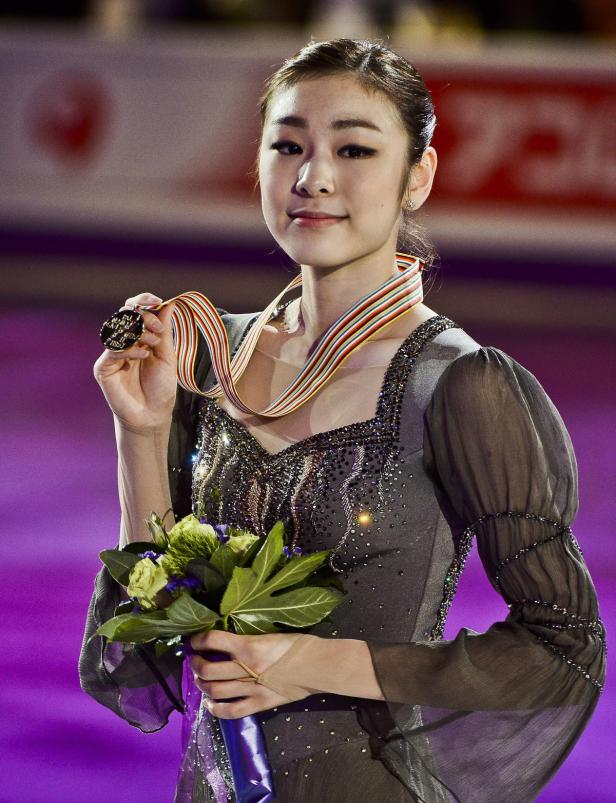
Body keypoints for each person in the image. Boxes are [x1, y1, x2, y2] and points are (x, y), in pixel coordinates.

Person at [79, 38, 606, 803]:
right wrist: (144, 430)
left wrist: (309, 662)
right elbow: (153, 641)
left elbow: (563, 646)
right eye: (286, 144)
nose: (312, 177)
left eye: (354, 149)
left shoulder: (460, 384)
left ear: (417, 176)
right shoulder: (211, 357)